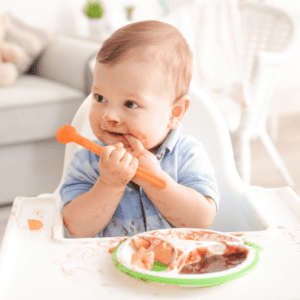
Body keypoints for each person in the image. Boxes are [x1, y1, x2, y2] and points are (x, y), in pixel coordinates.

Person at [60, 20, 220, 238]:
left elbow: (201, 221)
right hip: (105, 267)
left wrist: (154, 179)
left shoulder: (187, 154)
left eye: (130, 104)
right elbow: (76, 229)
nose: (109, 116)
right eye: (100, 98)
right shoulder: (87, 161)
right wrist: (108, 184)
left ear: (174, 114)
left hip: (177, 267)